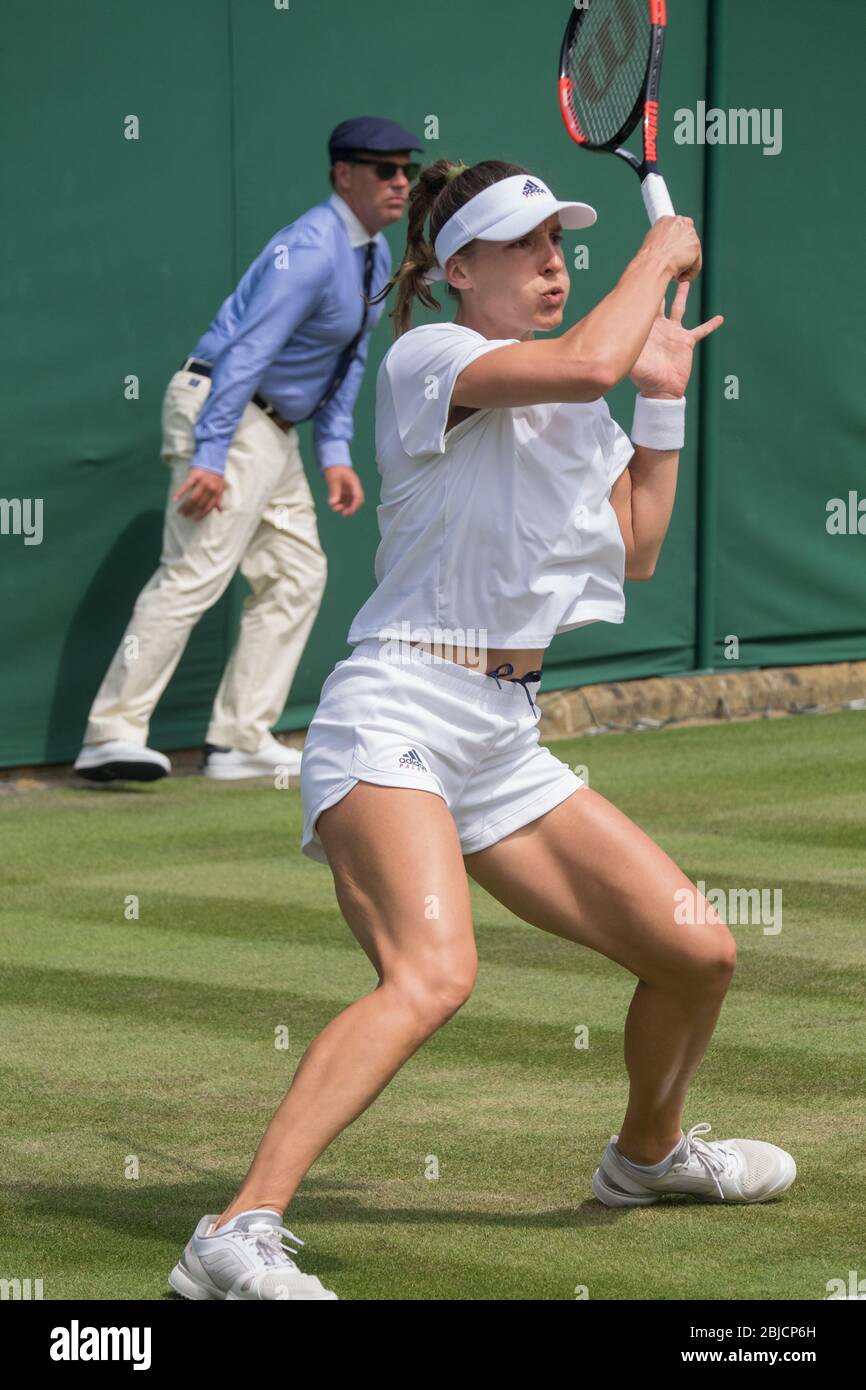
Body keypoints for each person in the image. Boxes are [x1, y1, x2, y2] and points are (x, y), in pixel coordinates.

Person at [167, 159, 796, 1301]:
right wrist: (658, 263)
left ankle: (643, 1159)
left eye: (562, 245)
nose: (554, 262)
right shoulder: (430, 359)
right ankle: (231, 1235)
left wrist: (659, 395)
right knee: (430, 972)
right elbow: (586, 357)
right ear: (458, 271)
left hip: (501, 735)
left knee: (697, 951)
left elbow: (638, 543)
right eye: (524, 246)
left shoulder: (572, 401)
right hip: (395, 711)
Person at [74, 116, 423, 784]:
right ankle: (109, 734)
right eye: (385, 170)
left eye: (406, 169)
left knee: (297, 574)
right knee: (196, 571)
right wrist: (208, 453)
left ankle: (238, 739)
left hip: (273, 430)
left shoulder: (375, 255)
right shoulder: (313, 247)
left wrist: (335, 453)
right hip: (225, 410)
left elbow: (346, 362)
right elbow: (247, 352)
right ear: (343, 175)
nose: (400, 182)